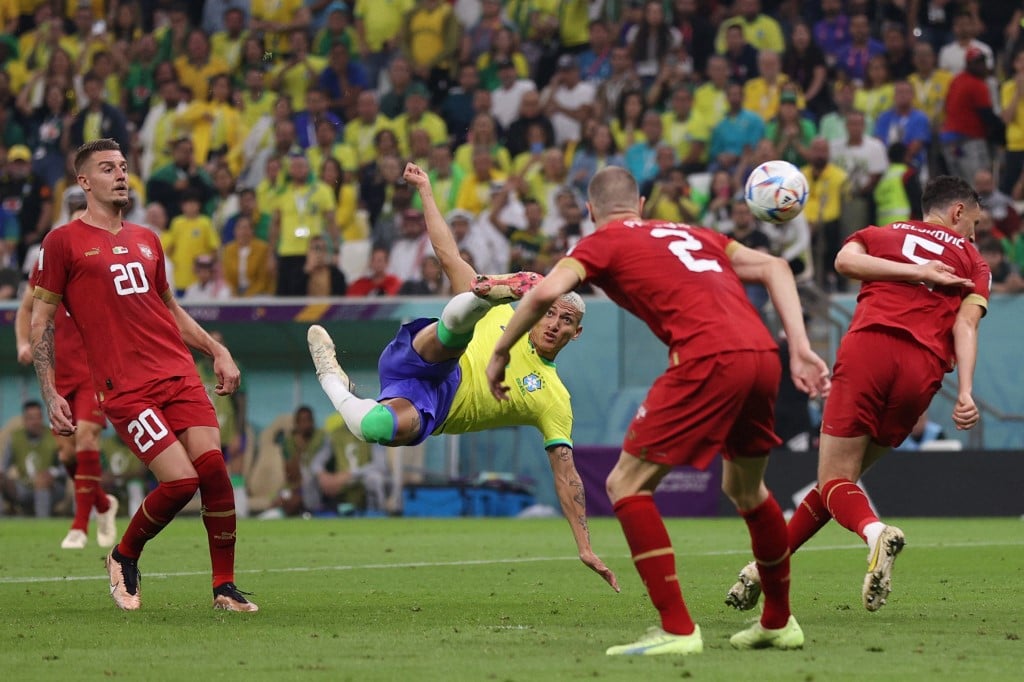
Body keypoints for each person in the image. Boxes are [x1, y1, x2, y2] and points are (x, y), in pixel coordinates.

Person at [485, 165, 831, 655]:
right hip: (760, 354)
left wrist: (500, 352)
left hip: (708, 357)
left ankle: (678, 628)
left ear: (590, 212)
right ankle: (778, 622)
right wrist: (798, 347)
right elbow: (776, 267)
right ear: (642, 206)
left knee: (625, 484)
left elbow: (544, 292)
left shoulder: (600, 243)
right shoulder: (693, 232)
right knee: (746, 488)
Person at [308, 162, 617, 591]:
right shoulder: (507, 319)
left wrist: (584, 545)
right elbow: (447, 253)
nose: (554, 324)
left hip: (430, 405)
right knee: (460, 323)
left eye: (565, 320)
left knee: (371, 427)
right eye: (549, 311)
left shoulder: (554, 398)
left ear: (576, 333)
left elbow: (567, 474)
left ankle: (330, 376)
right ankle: (493, 290)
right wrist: (426, 190)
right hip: (429, 354)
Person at [726, 175, 990, 615]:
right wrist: (964, 391)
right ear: (958, 212)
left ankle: (874, 532)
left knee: (834, 481)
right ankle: (762, 570)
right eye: (975, 224)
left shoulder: (883, 234)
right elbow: (965, 325)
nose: (974, 235)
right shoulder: (973, 262)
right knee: (838, 483)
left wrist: (913, 270)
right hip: (921, 373)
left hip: (870, 348)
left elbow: (845, 262)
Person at [29, 139, 256, 613]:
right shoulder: (62, 242)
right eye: (108, 168)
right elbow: (41, 321)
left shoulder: (147, 238)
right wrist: (50, 391)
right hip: (126, 389)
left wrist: (217, 349)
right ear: (84, 181)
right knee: (179, 482)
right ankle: (123, 554)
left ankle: (224, 586)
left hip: (179, 373)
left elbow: (169, 309)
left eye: (125, 167)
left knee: (212, 469)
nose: (121, 175)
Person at [15, 204, 118, 548]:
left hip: (93, 370)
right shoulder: (49, 264)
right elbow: (27, 307)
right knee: (66, 455)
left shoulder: (102, 262)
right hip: (60, 374)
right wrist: (22, 342)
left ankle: (79, 526)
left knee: (87, 438)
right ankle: (103, 504)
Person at [0, 400, 63, 518]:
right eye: (30, 418)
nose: (34, 422)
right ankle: (2, 522)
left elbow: (65, 467)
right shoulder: (15, 438)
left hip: (51, 488)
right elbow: (4, 466)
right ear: (24, 420)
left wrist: (52, 473)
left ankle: (42, 524)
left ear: (42, 418)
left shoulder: (54, 436)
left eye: (37, 417)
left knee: (42, 481)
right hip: (24, 487)